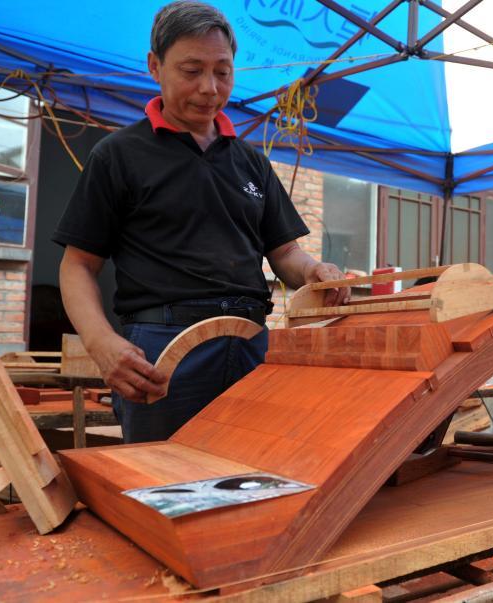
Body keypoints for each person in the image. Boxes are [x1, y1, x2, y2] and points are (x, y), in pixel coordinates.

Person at [53, 1, 349, 443]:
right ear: (155, 66)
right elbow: (78, 265)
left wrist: (313, 272)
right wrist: (100, 343)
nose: (209, 88)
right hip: (162, 348)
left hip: (251, 343)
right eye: (191, 71)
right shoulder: (119, 156)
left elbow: (284, 251)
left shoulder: (250, 162)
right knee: (164, 488)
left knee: (253, 476)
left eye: (222, 72)